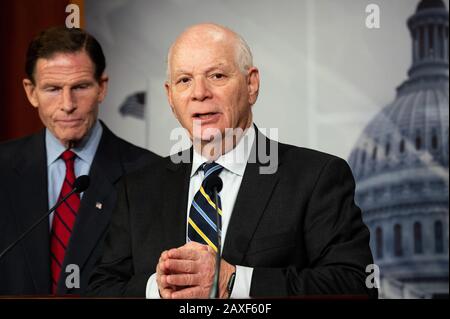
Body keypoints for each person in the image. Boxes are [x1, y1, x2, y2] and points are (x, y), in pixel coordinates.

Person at [87, 23, 377, 298]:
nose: (200, 93)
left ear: (251, 84)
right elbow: (101, 289)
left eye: (217, 76)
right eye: (184, 80)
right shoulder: (138, 189)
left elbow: (355, 285)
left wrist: (234, 280)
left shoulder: (316, 177)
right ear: (170, 97)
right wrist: (159, 289)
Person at [0, 26, 160, 296]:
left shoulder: (150, 174)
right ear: (31, 92)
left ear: (102, 88)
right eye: (52, 88)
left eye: (80, 87)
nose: (67, 104)